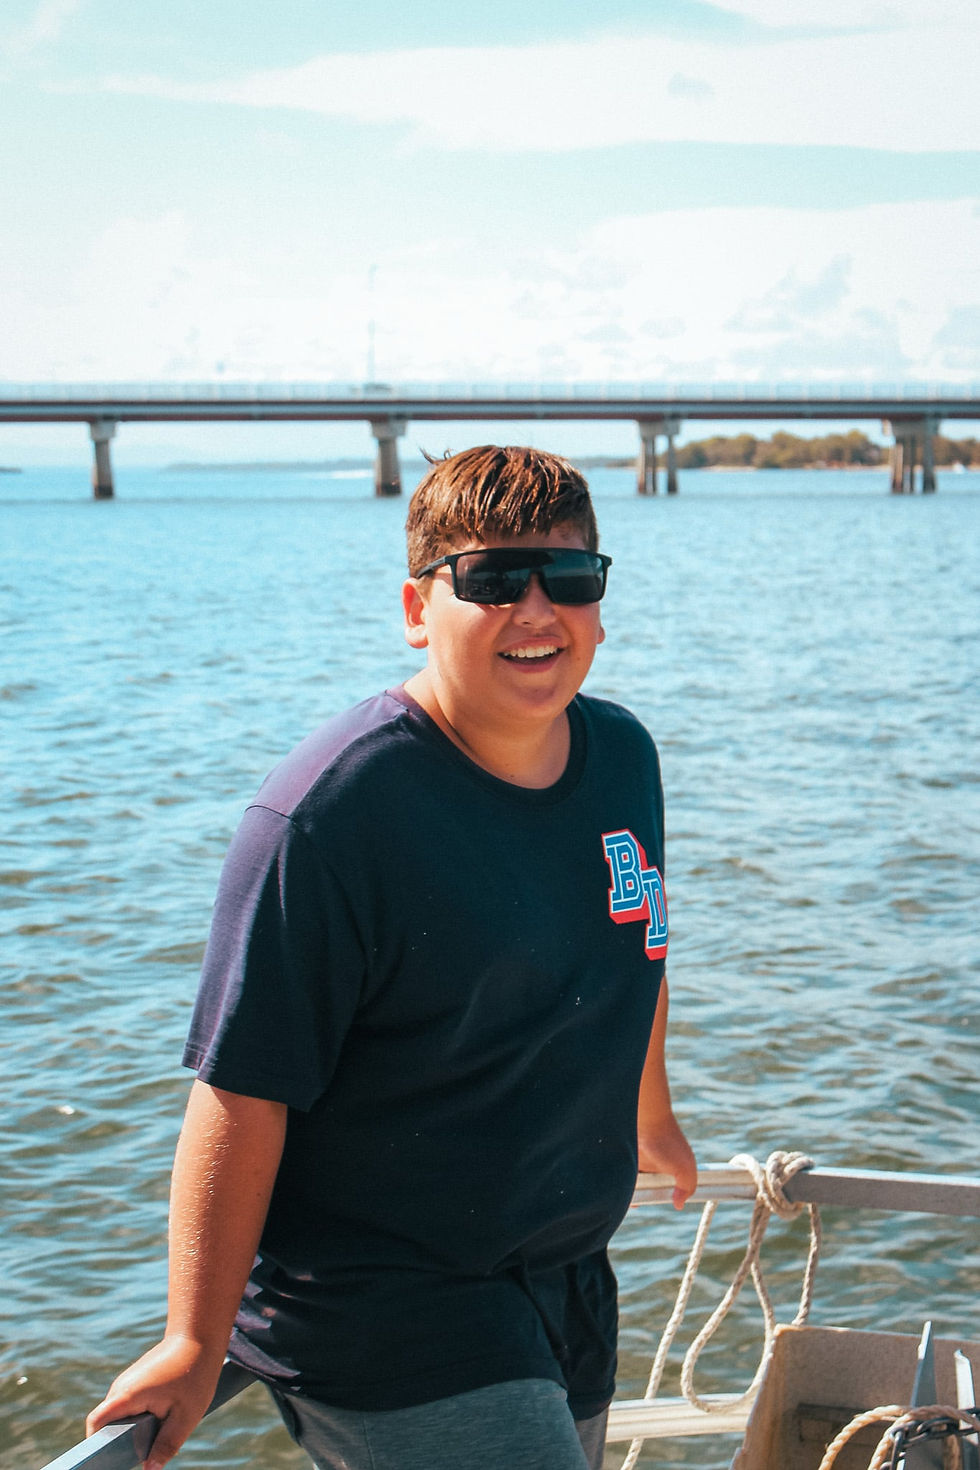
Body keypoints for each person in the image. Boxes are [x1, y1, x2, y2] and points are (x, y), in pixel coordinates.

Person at [87, 444, 697, 1470]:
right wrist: (193, 1338)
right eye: (493, 581)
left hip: (564, 1271)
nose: (536, 610)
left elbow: (636, 944)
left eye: (570, 578)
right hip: (387, 1299)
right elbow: (240, 1090)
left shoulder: (622, 757)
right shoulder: (329, 817)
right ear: (417, 610)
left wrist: (652, 1119)